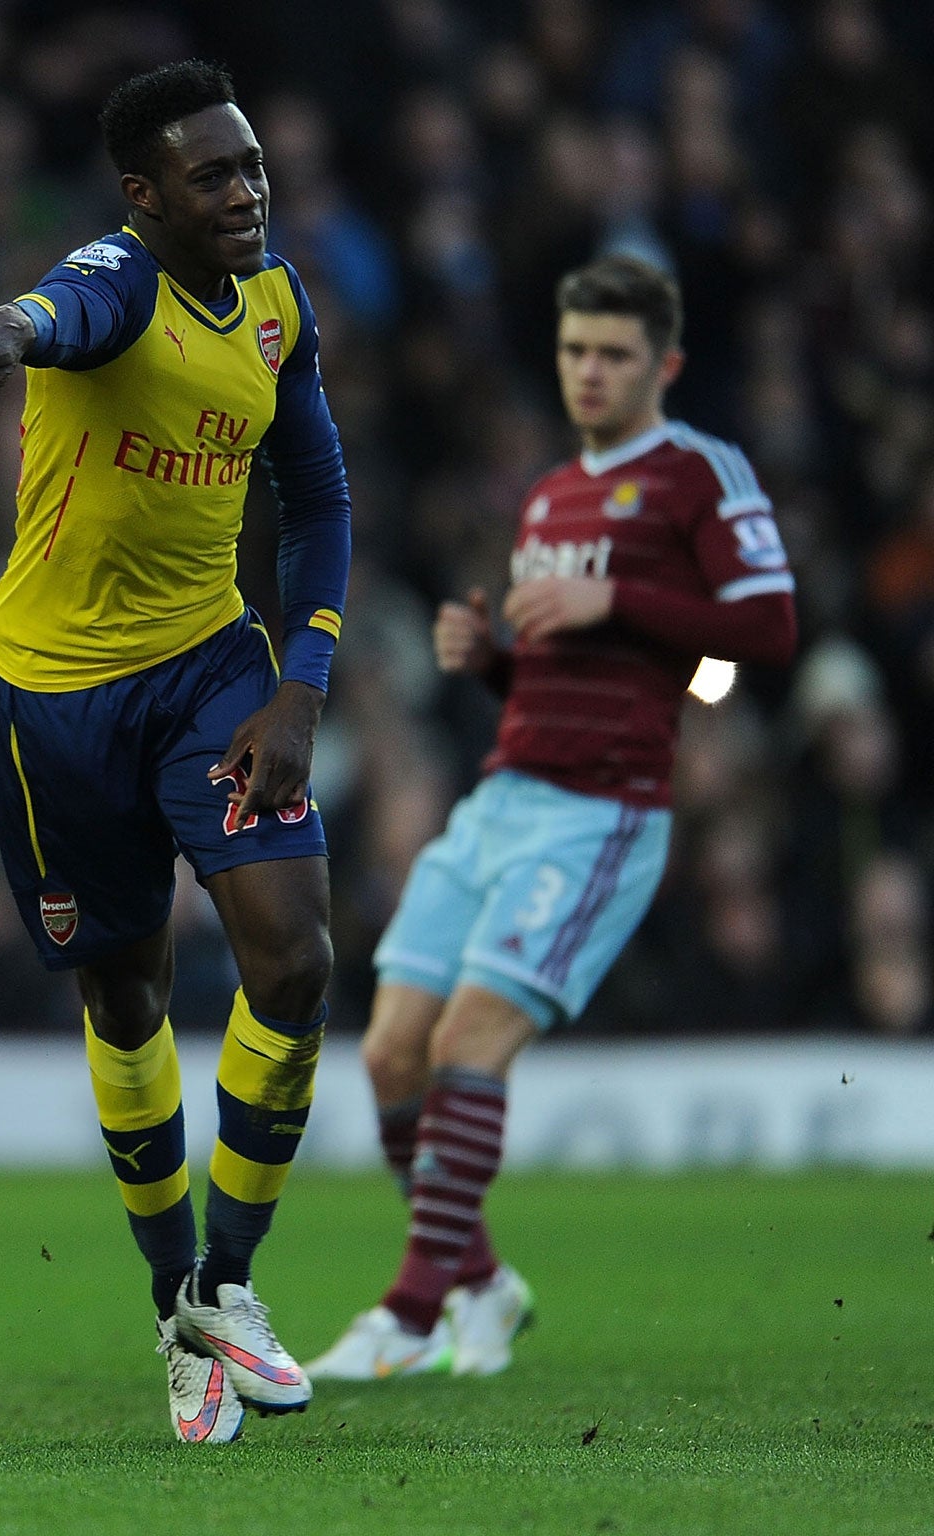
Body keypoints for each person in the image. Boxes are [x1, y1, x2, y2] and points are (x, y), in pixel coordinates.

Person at [0, 60, 351, 1442]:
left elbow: (316, 490)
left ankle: (228, 1283)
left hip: (214, 672)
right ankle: (175, 1311)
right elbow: (68, 308)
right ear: (144, 198)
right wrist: (7, 326)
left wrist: (305, 679)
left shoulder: (277, 308)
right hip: (57, 701)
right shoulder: (122, 279)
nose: (247, 191)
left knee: (299, 958)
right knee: (128, 1002)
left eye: (253, 165)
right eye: (213, 175)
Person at [305, 254, 798, 1381]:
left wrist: (614, 597)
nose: (588, 371)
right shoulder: (546, 495)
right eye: (574, 349)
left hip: (602, 810)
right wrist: (490, 662)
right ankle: (480, 1284)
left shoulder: (697, 474)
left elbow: (764, 632)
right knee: (389, 1054)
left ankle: (411, 1312)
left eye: (612, 354)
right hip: (504, 793)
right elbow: (560, 677)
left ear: (662, 363)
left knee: (467, 1042)